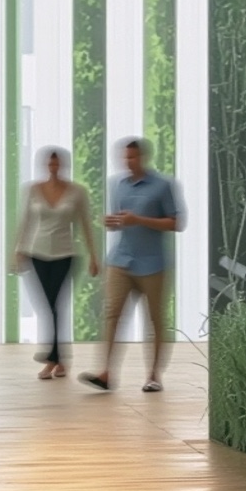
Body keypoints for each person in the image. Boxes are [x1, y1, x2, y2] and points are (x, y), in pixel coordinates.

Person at [82, 138, 183, 393]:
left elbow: (175, 223)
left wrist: (139, 219)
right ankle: (106, 373)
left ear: (144, 157)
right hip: (121, 260)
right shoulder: (117, 185)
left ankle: (153, 376)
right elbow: (121, 221)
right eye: (126, 157)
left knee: (154, 319)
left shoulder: (163, 185)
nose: (129, 162)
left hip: (153, 263)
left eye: (133, 157)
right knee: (112, 314)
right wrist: (112, 222)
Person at [8, 148, 100, 381]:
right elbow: (25, 222)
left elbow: (85, 224)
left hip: (65, 254)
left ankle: (53, 358)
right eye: (50, 164)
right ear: (45, 166)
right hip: (37, 253)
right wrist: (17, 250)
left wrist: (93, 256)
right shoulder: (32, 190)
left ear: (63, 165)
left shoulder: (77, 192)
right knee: (46, 306)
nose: (53, 168)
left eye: (57, 164)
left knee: (56, 304)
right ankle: (59, 359)